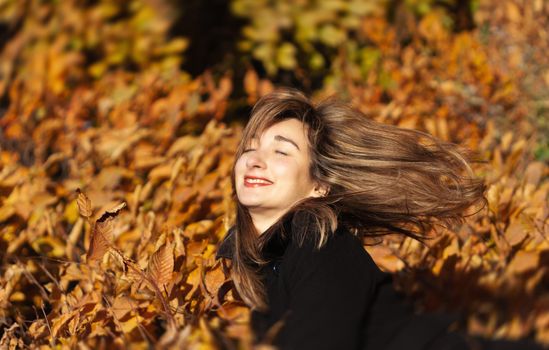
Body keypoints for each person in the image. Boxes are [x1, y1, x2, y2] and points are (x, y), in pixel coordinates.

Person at [216, 88, 543, 349]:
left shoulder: (317, 242)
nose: (256, 160)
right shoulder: (246, 260)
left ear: (319, 185)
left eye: (281, 151)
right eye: (251, 148)